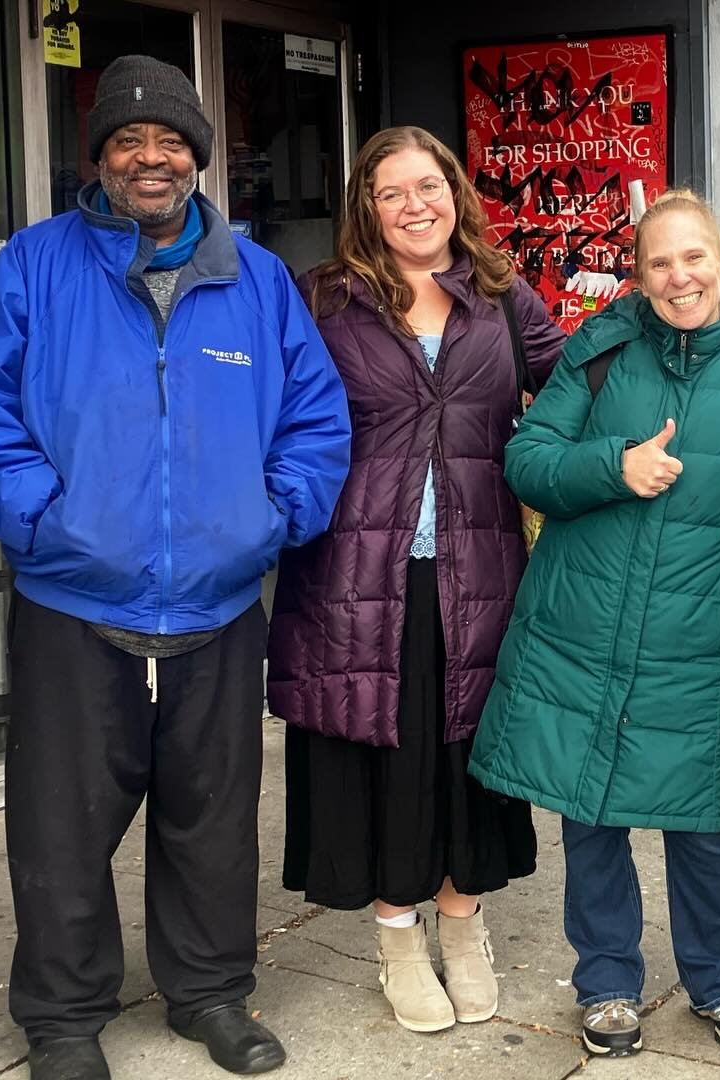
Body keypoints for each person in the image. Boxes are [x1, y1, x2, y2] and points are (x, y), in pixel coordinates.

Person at [0, 56, 351, 1080]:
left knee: (213, 823)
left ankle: (210, 995)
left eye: (170, 139)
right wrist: (43, 521)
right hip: (73, 597)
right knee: (61, 829)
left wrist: (272, 517)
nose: (150, 156)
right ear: (100, 158)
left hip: (218, 601)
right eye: (128, 139)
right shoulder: (35, 267)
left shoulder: (257, 281)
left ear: (199, 156)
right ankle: (62, 1017)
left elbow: (314, 421)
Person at [468, 189, 720, 1057]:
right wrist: (612, 467)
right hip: (581, 636)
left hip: (698, 647)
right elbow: (529, 462)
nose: (679, 276)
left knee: (702, 823)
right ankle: (608, 981)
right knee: (593, 819)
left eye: (693, 257)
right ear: (640, 273)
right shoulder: (599, 352)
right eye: (659, 262)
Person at [266, 126, 562, 1035]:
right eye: (392, 192)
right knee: (381, 757)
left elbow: (583, 386)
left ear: (455, 193)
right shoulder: (324, 300)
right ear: (367, 206)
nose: (415, 207)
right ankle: (398, 938)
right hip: (356, 575)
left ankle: (463, 924)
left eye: (428, 186)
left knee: (466, 752)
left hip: (478, 571)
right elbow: (265, 414)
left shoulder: (504, 299)